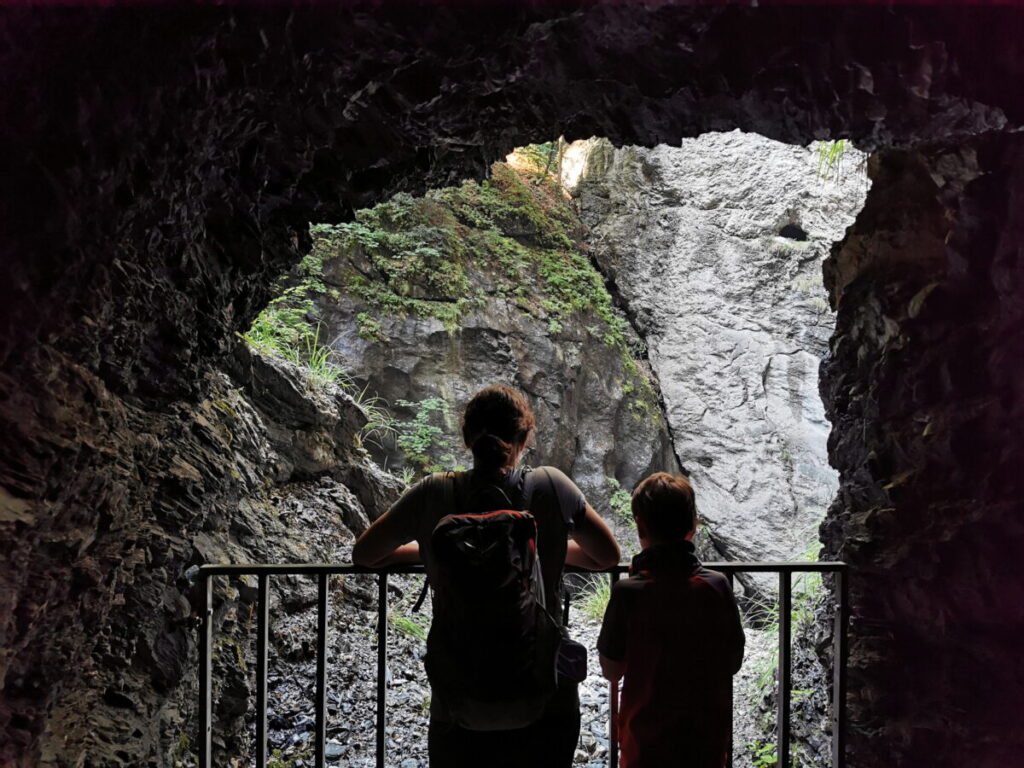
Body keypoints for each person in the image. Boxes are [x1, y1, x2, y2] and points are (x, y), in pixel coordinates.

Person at [353, 384, 620, 768]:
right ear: (525, 437)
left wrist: (431, 551)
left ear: (466, 437)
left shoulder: (433, 493)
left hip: (460, 696)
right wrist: (552, 555)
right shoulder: (551, 485)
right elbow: (606, 556)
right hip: (544, 694)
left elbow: (365, 554)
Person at [597, 472, 744, 768]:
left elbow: (611, 670)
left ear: (640, 526)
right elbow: (733, 661)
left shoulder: (628, 592)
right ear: (693, 525)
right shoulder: (716, 587)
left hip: (644, 742)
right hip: (704, 741)